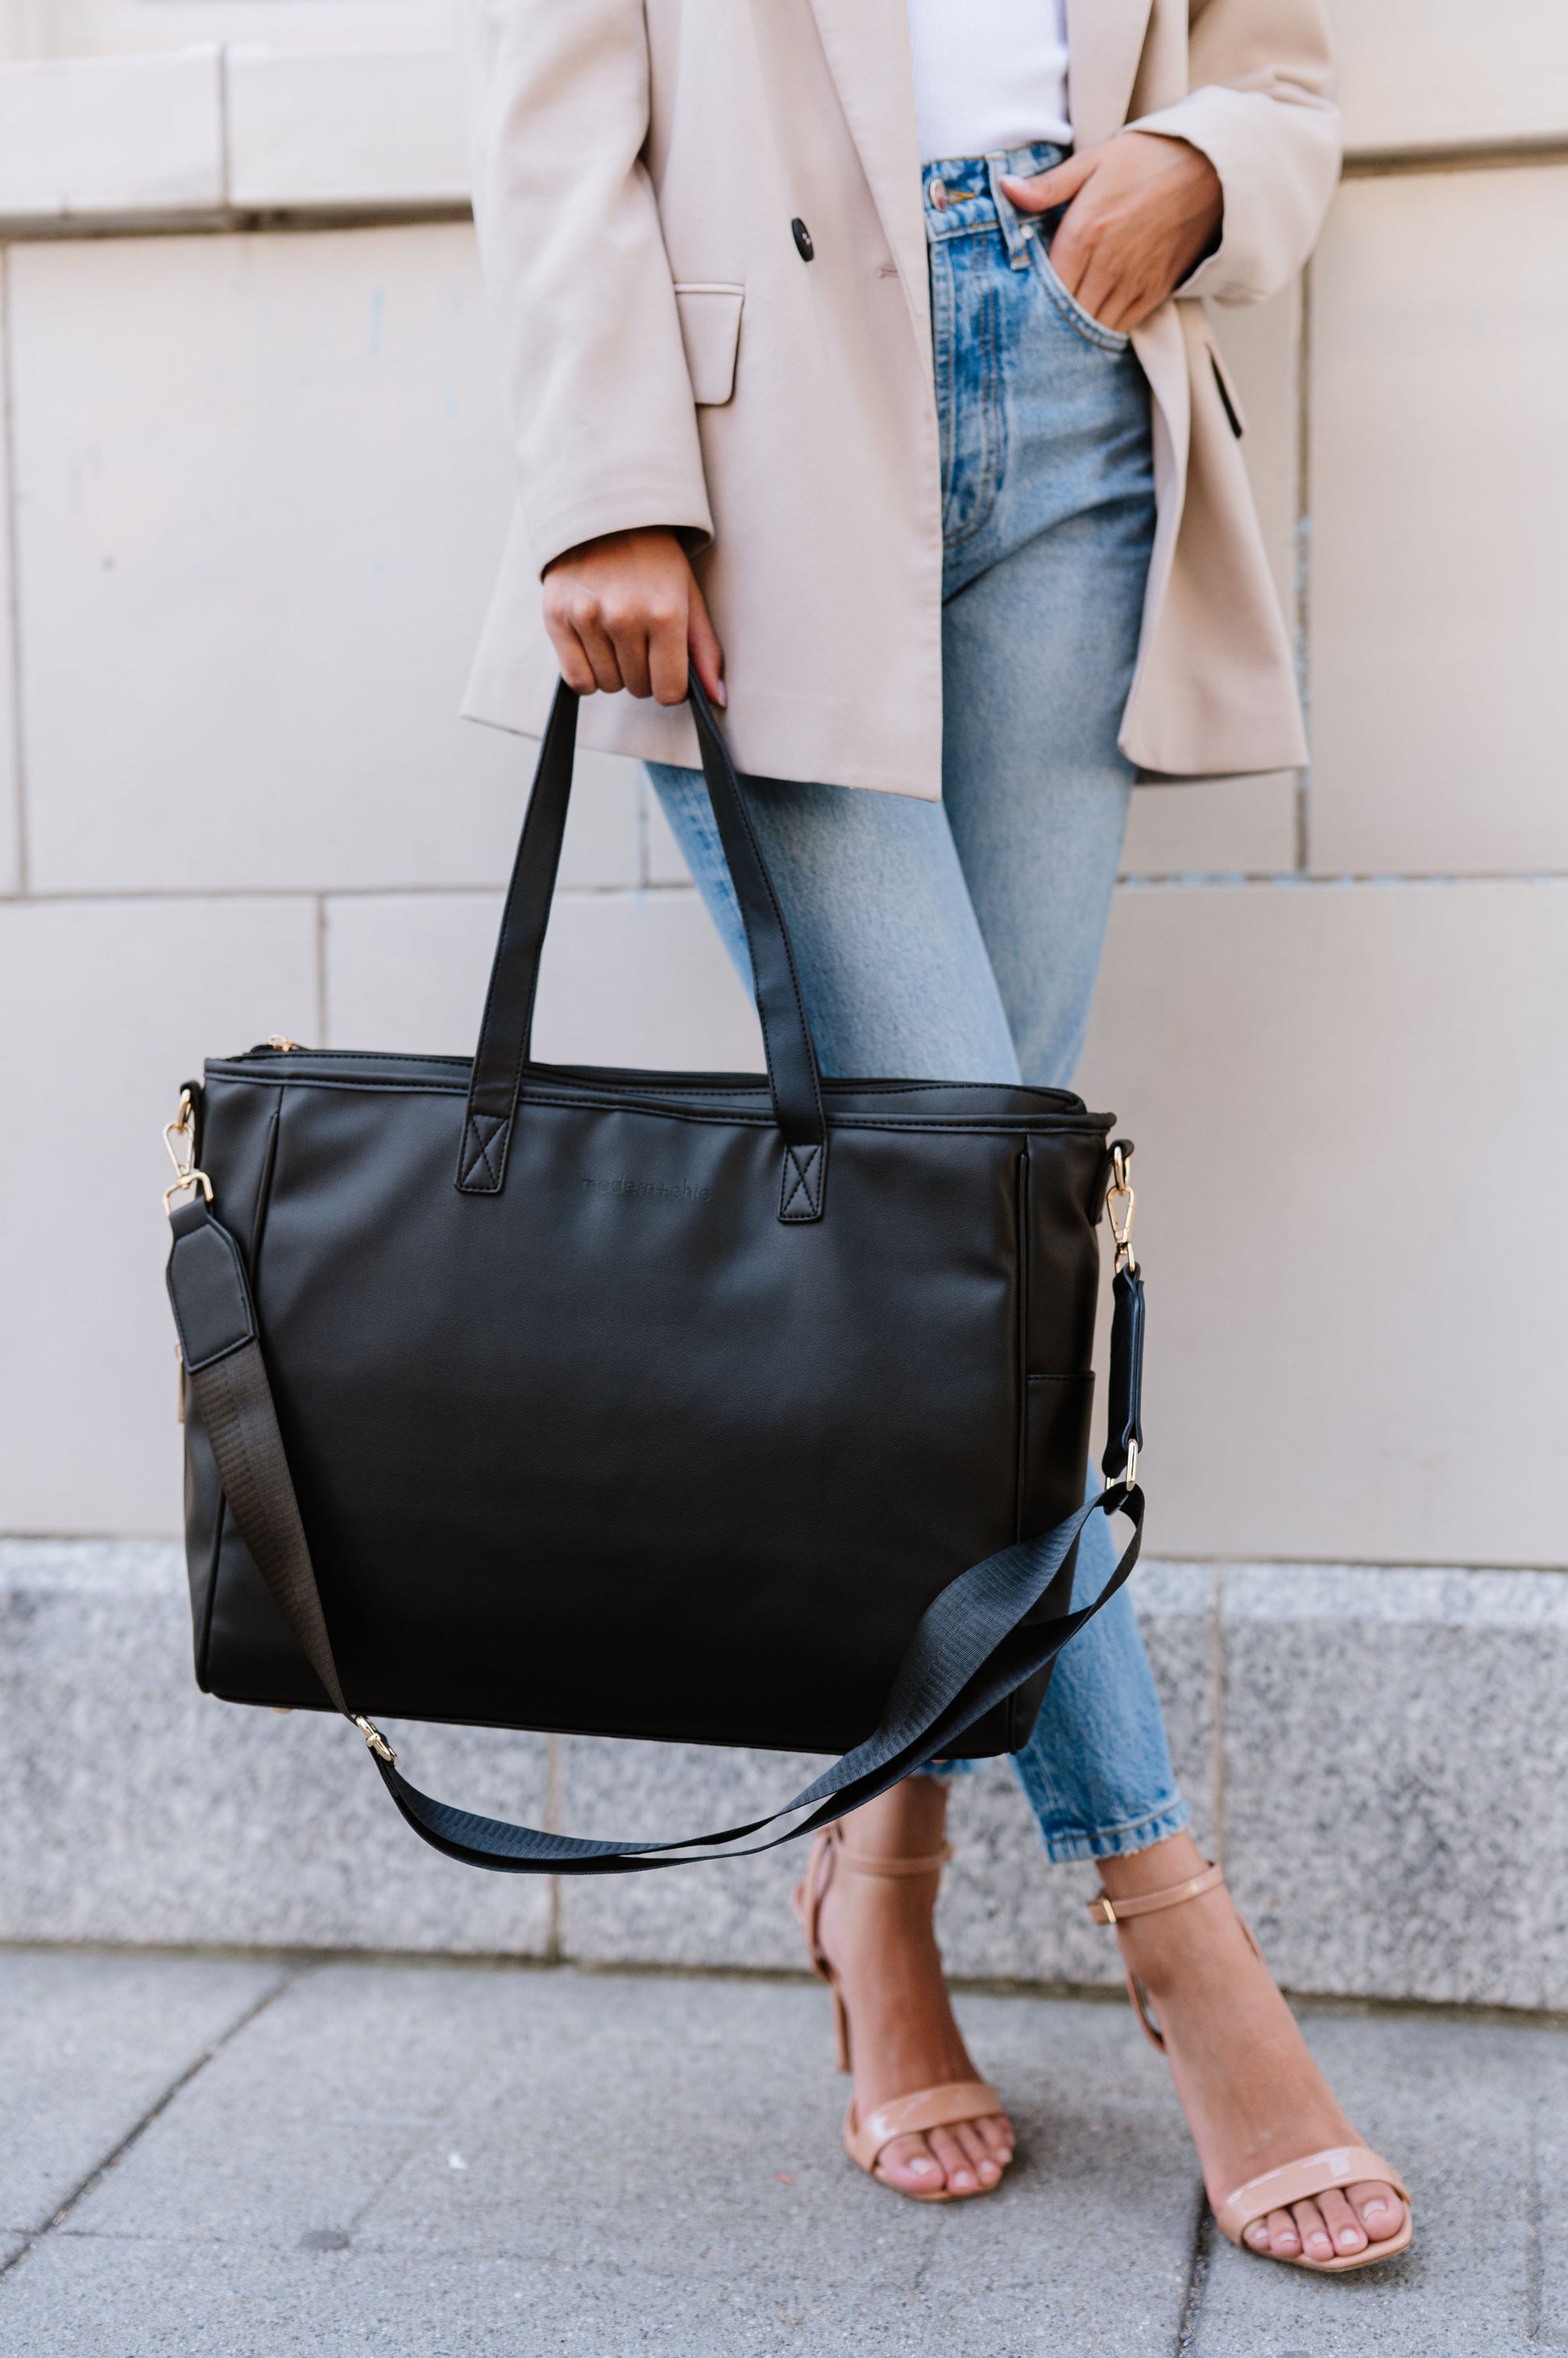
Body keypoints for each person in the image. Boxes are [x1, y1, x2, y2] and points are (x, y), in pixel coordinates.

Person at [456, 0, 1412, 2273]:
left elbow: (1275, 75)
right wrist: (605, 479)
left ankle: (872, 1879)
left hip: (1079, 398)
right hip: (760, 440)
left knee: (982, 1255)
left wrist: (1191, 166)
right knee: (975, 1241)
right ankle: (1171, 1920)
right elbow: (550, 105)